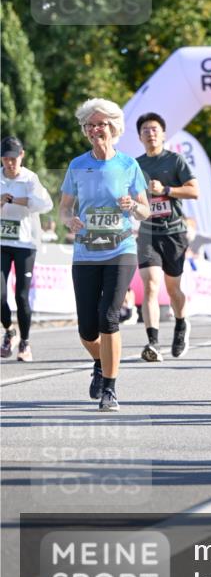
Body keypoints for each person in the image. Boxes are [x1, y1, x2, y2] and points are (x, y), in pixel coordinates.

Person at [59, 99, 149, 411]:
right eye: (91, 124)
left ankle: (110, 389)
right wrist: (69, 220)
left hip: (121, 250)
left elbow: (146, 210)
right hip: (86, 253)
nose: (97, 129)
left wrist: (133, 207)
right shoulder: (77, 165)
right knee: (86, 328)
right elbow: (64, 208)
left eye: (102, 124)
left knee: (108, 316)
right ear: (85, 130)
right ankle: (100, 361)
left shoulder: (128, 165)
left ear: (114, 128)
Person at [135, 113, 199, 361]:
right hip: (148, 232)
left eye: (154, 129)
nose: (150, 133)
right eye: (145, 130)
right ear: (140, 136)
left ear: (162, 134)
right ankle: (152, 343)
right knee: (150, 284)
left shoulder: (175, 161)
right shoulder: (135, 165)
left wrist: (167, 190)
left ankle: (182, 323)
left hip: (173, 232)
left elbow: (195, 191)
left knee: (173, 290)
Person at [1, 136, 53, 361]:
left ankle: (25, 342)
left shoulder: (30, 178)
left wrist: (17, 201)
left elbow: (46, 204)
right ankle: (9, 331)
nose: (10, 163)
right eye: (5, 159)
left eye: (14, 158)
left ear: (21, 156)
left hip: (25, 243)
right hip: (2, 242)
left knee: (21, 296)